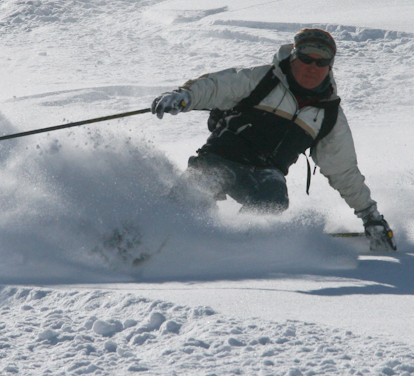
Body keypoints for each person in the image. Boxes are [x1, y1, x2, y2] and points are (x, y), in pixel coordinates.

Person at [150, 28, 397, 251]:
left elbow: (343, 170)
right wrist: (184, 96)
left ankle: (239, 248)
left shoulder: (328, 115)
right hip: (220, 159)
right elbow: (215, 87)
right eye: (306, 59)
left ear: (330, 66)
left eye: (321, 62)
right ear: (293, 58)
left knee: (273, 200)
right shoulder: (262, 80)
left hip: (266, 174)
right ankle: (148, 234)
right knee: (197, 188)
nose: (313, 67)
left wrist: (370, 216)